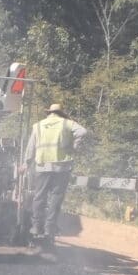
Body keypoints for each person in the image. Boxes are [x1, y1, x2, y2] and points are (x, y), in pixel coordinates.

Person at [23, 103, 88, 249]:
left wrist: (26, 163)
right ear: (61, 113)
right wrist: (73, 146)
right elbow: (83, 132)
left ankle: (36, 227)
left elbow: (31, 147)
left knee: (39, 196)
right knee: (55, 198)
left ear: (49, 113)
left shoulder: (38, 125)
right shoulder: (67, 123)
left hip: (42, 166)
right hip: (61, 167)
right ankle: (49, 229)